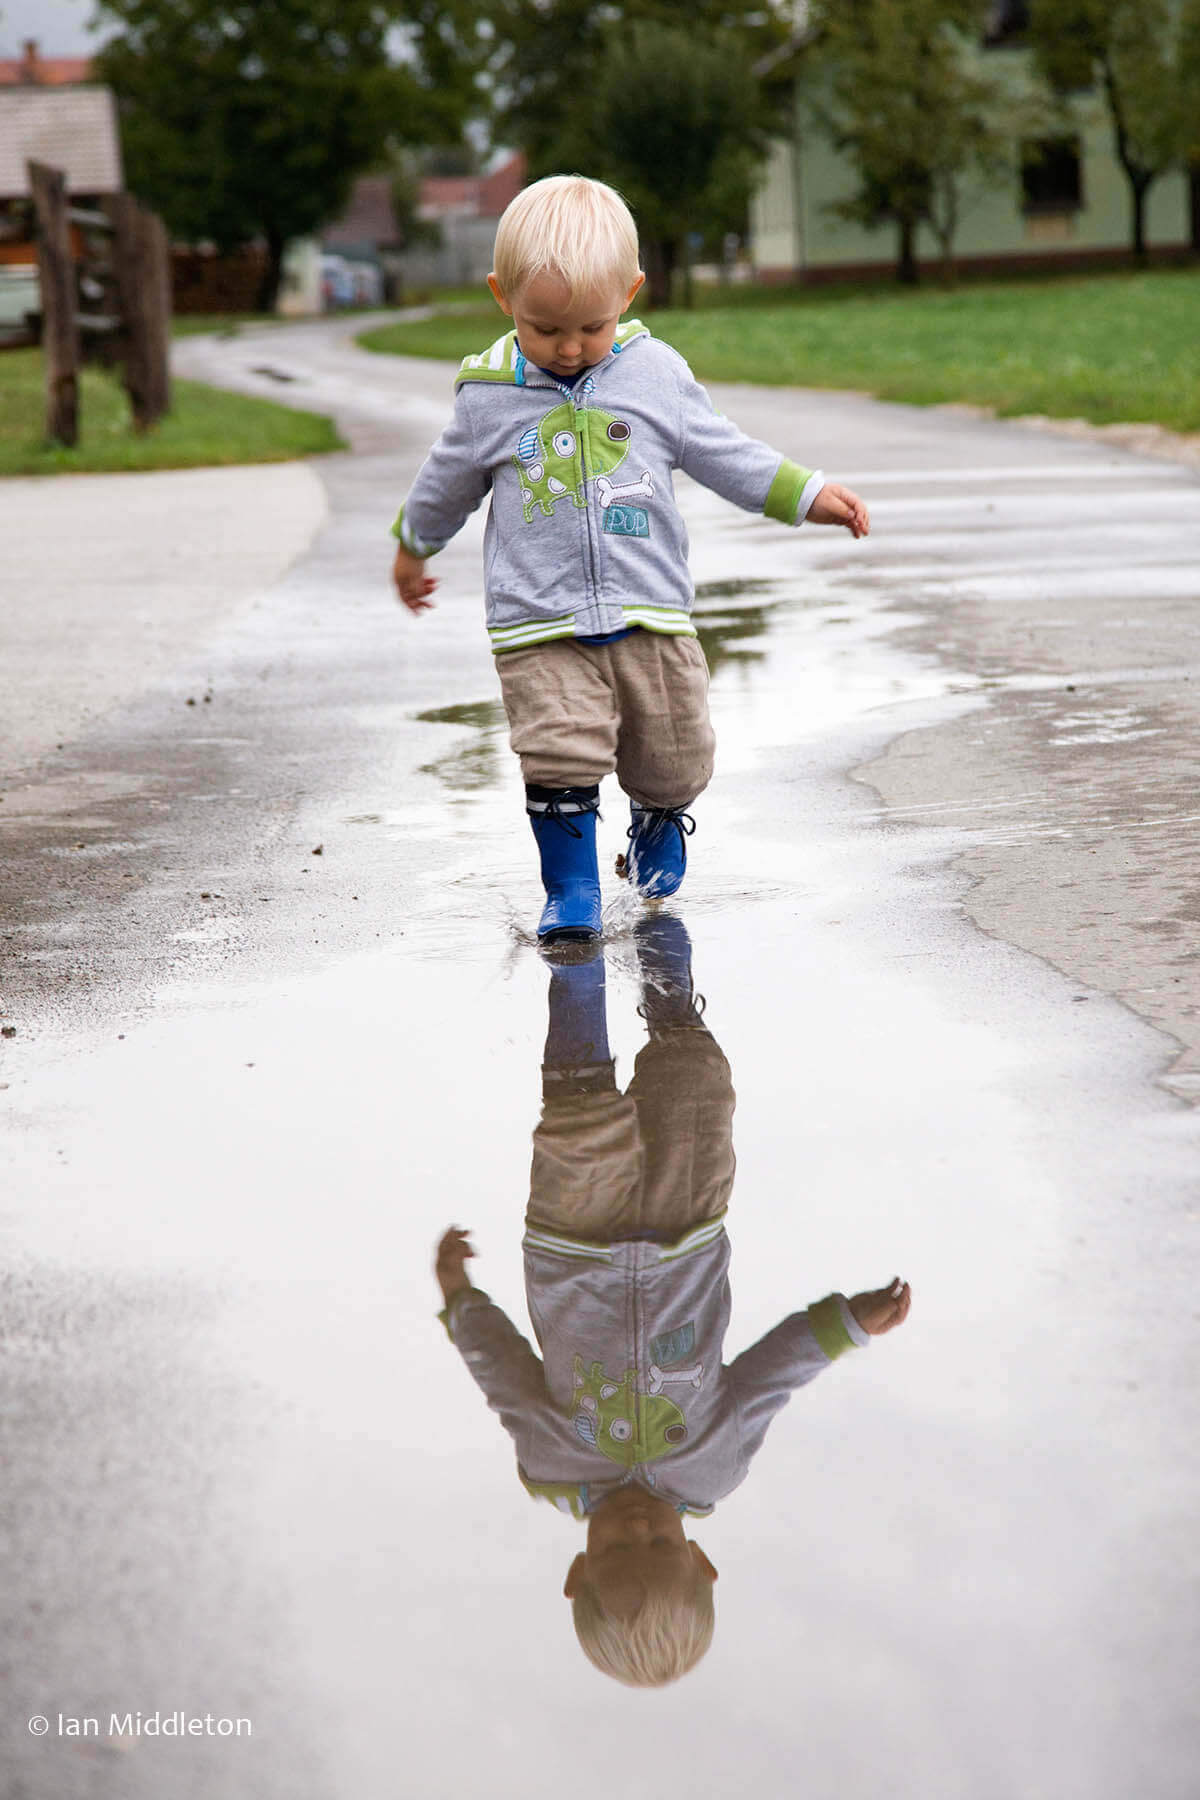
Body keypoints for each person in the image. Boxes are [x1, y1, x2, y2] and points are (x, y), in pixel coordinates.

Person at [391, 174, 869, 943]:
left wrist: (807, 493)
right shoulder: (486, 396)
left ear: (632, 294)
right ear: (501, 297)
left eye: (592, 326)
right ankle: (572, 890)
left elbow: (724, 452)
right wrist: (414, 546)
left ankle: (657, 818)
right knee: (557, 753)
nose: (571, 348)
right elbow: (445, 483)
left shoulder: (655, 375)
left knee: (675, 755)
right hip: (538, 620)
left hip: (651, 610)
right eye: (546, 330)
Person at [433, 920, 911, 1686]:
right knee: (697, 1080)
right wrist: (849, 1323)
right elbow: (774, 1374)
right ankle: (663, 952)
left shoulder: (550, 1465)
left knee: (580, 1114)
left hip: (571, 1243)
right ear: (702, 1561)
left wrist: (460, 1301)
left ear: (576, 1575)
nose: (634, 1533)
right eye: (658, 1549)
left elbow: (504, 1377)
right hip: (689, 1231)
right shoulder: (713, 1467)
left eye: (616, 1553)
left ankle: (577, 961)